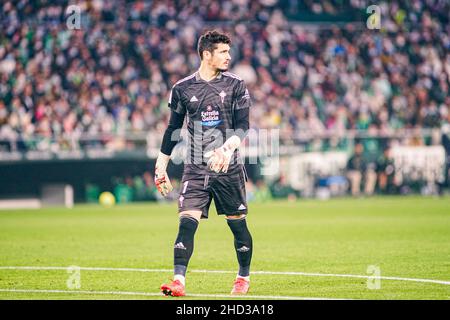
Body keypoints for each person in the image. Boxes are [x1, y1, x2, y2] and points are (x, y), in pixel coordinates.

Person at [154, 30, 253, 297]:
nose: (228, 56)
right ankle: (178, 282)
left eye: (228, 51)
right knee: (186, 222)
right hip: (196, 167)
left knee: (237, 224)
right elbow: (172, 128)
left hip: (227, 166)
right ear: (206, 54)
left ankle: (243, 277)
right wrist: (161, 165)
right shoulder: (182, 89)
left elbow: (244, 126)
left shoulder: (236, 84)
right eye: (222, 52)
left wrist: (226, 148)